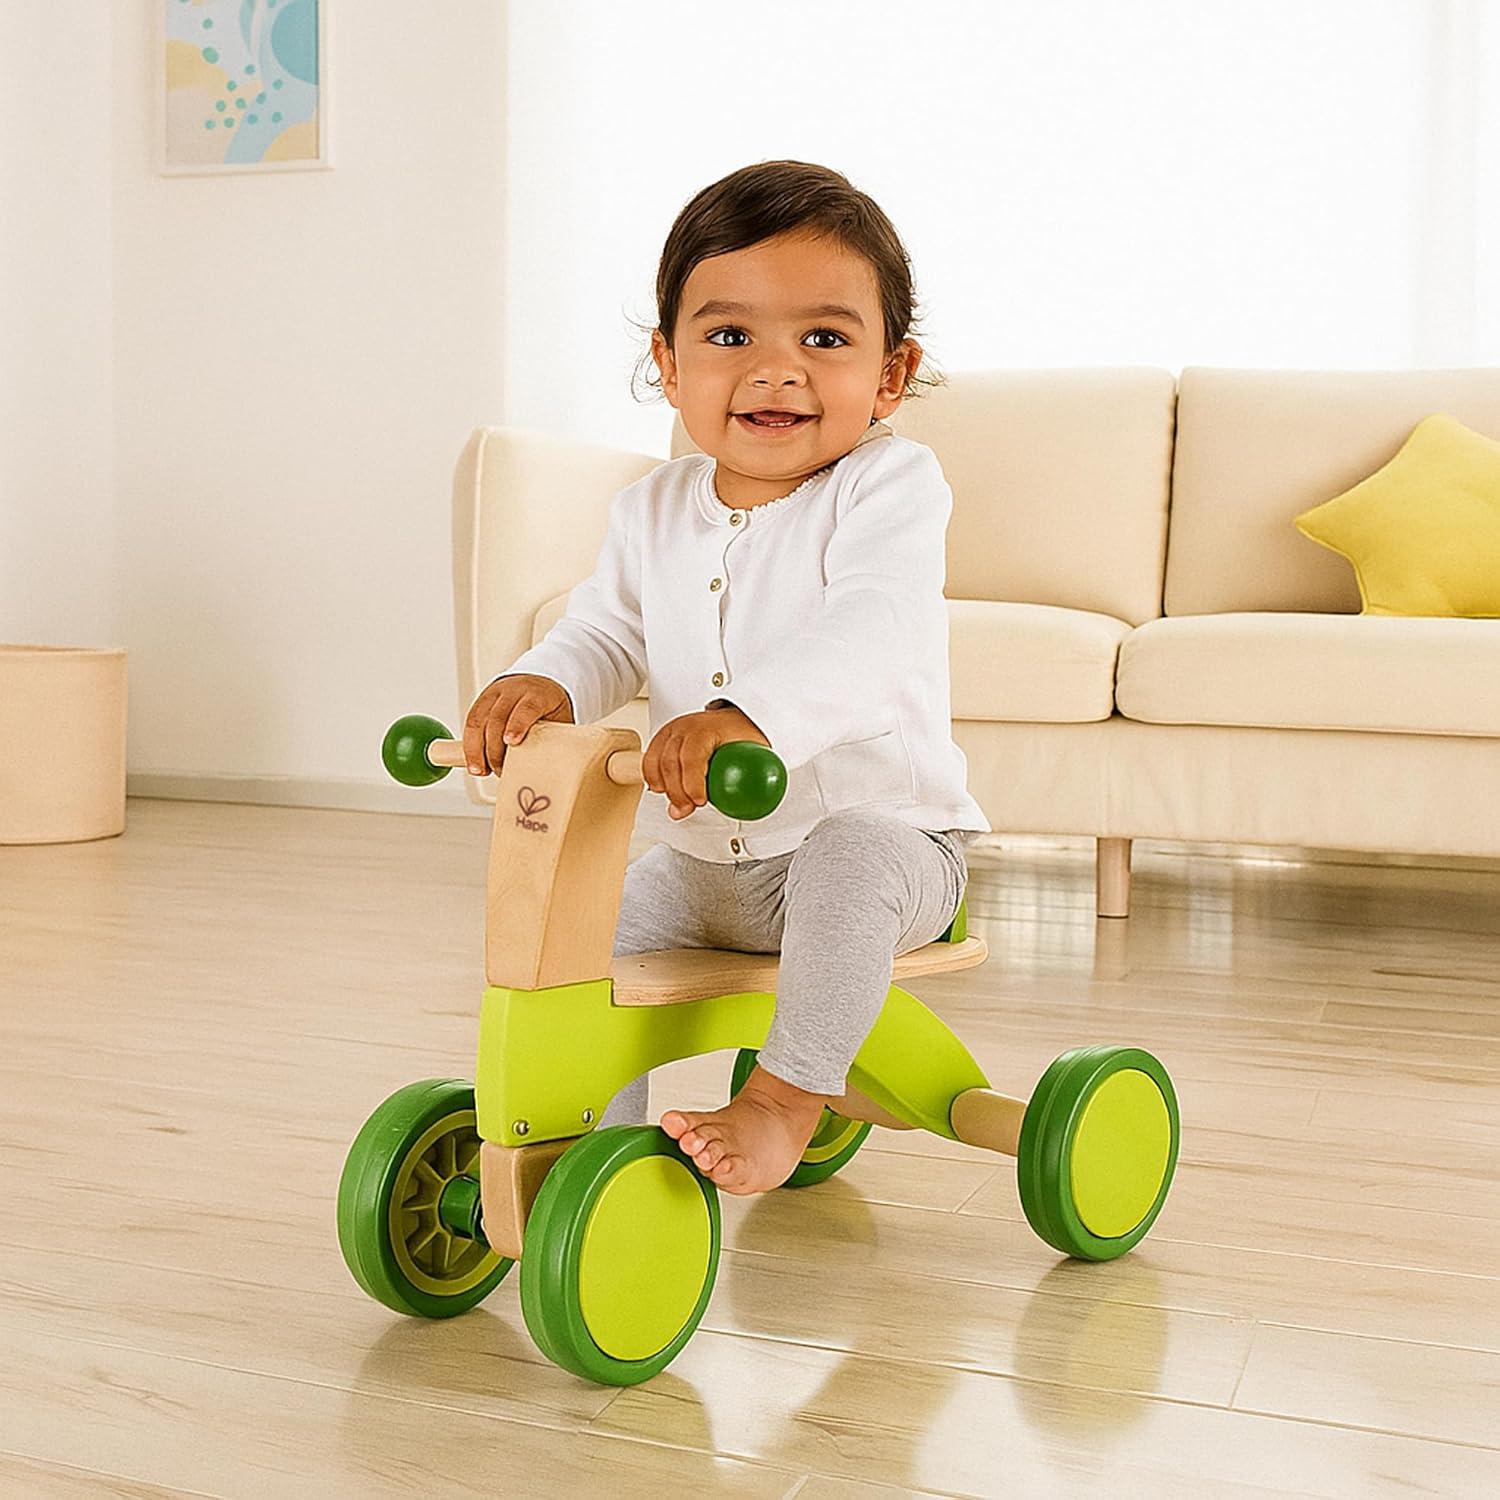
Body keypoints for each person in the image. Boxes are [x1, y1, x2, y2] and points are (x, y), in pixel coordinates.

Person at [463, 159, 990, 1195]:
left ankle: (786, 1100)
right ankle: (574, 1142)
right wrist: (547, 680)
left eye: (825, 340)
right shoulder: (650, 509)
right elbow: (608, 629)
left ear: (891, 374)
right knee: (578, 922)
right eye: (730, 336)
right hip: (709, 873)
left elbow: (872, 630)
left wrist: (743, 716)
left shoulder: (889, 486)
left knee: (850, 850)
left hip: (891, 854)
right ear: (669, 363)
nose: (777, 371)